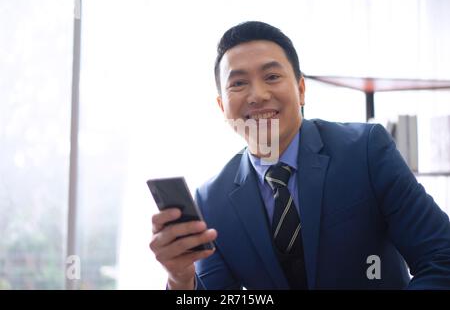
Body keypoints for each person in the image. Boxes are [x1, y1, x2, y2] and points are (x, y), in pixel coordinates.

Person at [150, 21, 450, 289]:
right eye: (238, 83)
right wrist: (180, 279)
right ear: (222, 106)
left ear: (301, 89)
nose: (257, 95)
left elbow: (442, 257)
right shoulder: (211, 199)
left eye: (271, 76)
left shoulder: (366, 151)